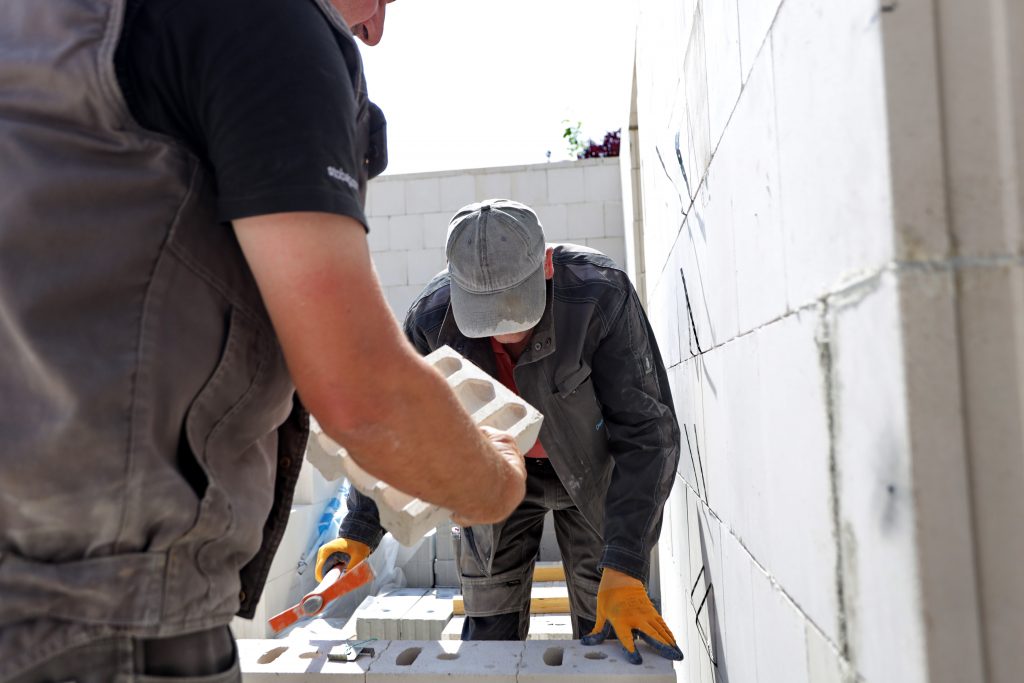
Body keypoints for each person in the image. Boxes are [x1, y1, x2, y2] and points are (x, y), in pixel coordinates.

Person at [0, 1, 525, 681]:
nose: (375, 29)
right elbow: (366, 398)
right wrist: (494, 484)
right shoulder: (271, 23)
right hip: (104, 618)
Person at [317, 199, 684, 664]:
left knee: (607, 633)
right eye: (485, 311)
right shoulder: (431, 320)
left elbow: (648, 431)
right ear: (456, 285)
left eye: (515, 303)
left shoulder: (599, 295)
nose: (504, 328)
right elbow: (394, 430)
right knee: (488, 639)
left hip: (593, 472)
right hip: (493, 476)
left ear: (546, 264)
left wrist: (626, 560)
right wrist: (360, 527)